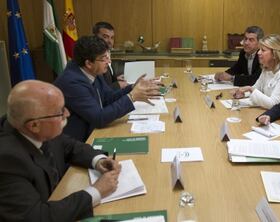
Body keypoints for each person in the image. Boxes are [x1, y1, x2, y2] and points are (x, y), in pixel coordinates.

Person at [0, 80, 122, 221]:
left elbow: (68, 145)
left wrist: (98, 160)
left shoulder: (33, 125)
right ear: (34, 125)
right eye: (60, 112)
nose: (68, 114)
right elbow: (37, 217)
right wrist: (96, 191)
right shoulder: (7, 160)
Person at [54, 36, 160, 142]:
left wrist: (132, 87)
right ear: (88, 63)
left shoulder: (93, 70)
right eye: (104, 58)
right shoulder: (72, 82)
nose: (109, 61)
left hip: (94, 132)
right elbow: (99, 118)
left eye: (108, 55)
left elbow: (108, 98)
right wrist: (132, 97)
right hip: (78, 142)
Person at [232, 34, 280, 109]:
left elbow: (274, 104)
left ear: (275, 54)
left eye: (263, 50)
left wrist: (250, 89)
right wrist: (243, 93)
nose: (258, 53)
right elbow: (257, 89)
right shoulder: (267, 68)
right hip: (267, 112)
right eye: (259, 49)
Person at [93, 21, 128, 89]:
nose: (110, 41)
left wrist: (115, 79)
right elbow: (99, 90)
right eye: (105, 37)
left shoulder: (107, 53)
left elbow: (106, 80)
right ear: (95, 37)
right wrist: (117, 85)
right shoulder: (94, 57)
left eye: (112, 38)